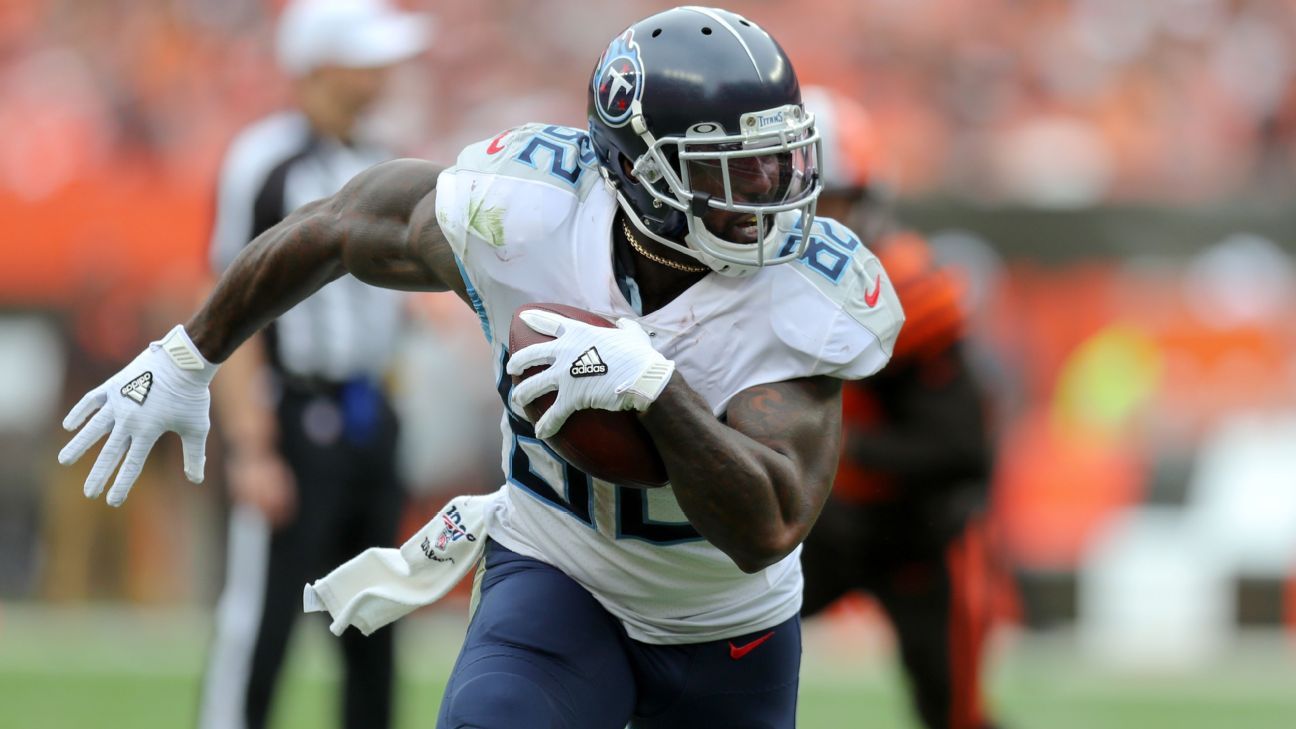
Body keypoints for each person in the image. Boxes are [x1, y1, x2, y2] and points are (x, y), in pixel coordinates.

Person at [57, 7, 903, 728]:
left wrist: (650, 386)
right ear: (641, 169)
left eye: (779, 159)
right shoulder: (528, 214)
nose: (771, 193)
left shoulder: (804, 291)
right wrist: (187, 353)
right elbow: (342, 224)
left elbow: (768, 525)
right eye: (733, 169)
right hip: (557, 567)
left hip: (725, 621)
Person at [196, 2, 431, 728]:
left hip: (370, 415)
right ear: (323, 65)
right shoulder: (266, 161)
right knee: (262, 622)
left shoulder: (380, 157)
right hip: (294, 413)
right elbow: (225, 306)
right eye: (368, 58)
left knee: (375, 620)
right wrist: (252, 444)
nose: (385, 72)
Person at [797, 86, 1004, 729]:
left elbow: (965, 451)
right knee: (702, 650)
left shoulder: (909, 292)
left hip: (920, 531)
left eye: (832, 205)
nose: (815, 228)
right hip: (818, 522)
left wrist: (831, 446)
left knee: (954, 713)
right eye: (802, 205)